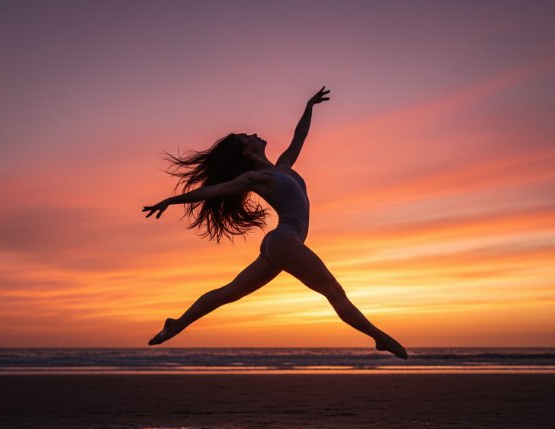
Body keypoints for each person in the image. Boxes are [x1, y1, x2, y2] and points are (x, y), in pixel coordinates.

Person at [142, 87, 408, 359]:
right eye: (247, 136)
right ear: (246, 151)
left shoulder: (282, 166)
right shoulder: (256, 178)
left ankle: (176, 324)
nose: (254, 133)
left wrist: (309, 106)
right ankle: (380, 337)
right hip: (284, 242)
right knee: (333, 291)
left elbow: (300, 136)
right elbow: (214, 190)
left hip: (279, 244)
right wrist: (170, 201)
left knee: (229, 293)